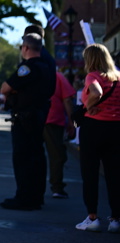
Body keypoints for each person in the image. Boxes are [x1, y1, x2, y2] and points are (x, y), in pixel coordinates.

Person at [0, 33, 55, 211]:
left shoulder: (28, 67)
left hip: (25, 118)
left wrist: (14, 92)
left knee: (23, 158)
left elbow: (5, 88)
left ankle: (24, 198)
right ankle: (36, 197)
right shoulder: (47, 67)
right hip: (39, 116)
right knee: (37, 157)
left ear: (26, 48)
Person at [74, 44, 120, 232]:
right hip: (116, 128)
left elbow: (96, 92)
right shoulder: (118, 77)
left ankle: (92, 217)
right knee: (114, 174)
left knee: (90, 173)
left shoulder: (93, 76)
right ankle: (116, 219)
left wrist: (88, 106)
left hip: (94, 127)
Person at [44, 69, 76, 200]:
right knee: (57, 155)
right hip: (53, 121)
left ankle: (31, 187)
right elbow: (67, 99)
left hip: (33, 119)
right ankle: (57, 187)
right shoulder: (58, 76)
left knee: (34, 155)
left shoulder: (32, 73)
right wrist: (72, 122)